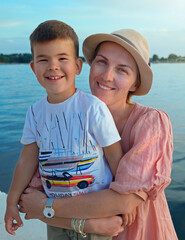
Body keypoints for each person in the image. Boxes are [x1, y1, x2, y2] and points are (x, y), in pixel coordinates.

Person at [19, 29, 178, 240]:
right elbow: (31, 200)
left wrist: (48, 208)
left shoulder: (150, 123)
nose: (107, 75)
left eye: (122, 70)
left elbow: (123, 202)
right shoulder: (62, 119)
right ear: (88, 65)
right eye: (102, 62)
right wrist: (92, 225)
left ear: (136, 83)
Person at [4, 20, 129, 240]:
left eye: (62, 58)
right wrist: (11, 202)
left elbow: (115, 156)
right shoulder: (34, 113)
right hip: (55, 217)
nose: (53, 66)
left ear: (78, 66)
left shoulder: (93, 108)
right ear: (34, 67)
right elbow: (26, 161)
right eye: (44, 59)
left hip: (94, 216)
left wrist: (124, 200)